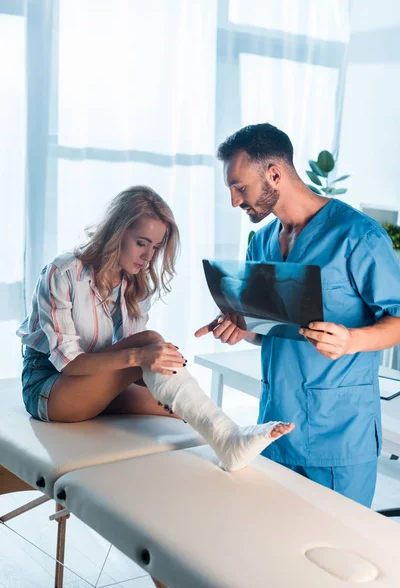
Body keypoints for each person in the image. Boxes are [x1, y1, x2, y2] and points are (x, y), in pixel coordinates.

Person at [17, 185, 293, 472]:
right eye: (141, 243)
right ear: (117, 232)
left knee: (180, 409)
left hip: (97, 381)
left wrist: (166, 373)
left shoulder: (138, 283)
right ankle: (229, 437)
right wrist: (142, 356)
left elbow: (134, 364)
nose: (149, 256)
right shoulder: (62, 273)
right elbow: (69, 363)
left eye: (156, 247)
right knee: (149, 343)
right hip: (49, 388)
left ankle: (231, 439)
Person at [196, 123, 400, 503]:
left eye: (240, 187)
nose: (234, 201)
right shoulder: (262, 241)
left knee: (339, 553)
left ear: (274, 172)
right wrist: (243, 328)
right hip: (274, 430)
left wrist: (353, 340)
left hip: (339, 436)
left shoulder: (358, 236)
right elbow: (271, 330)